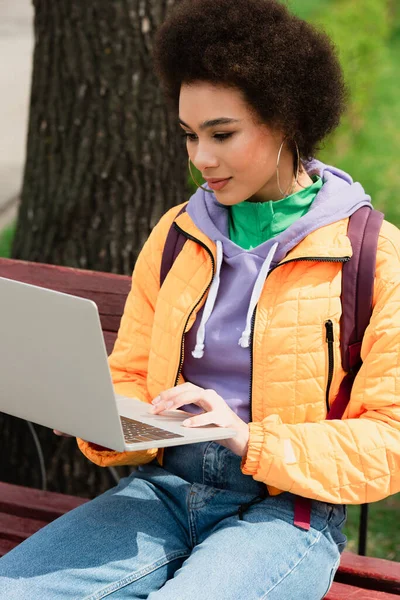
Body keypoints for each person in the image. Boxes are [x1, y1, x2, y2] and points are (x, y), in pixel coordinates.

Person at [1, 0, 399, 598]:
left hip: (284, 514)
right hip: (162, 494)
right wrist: (104, 415)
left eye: (222, 134)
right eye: (190, 135)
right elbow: (132, 372)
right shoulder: (176, 235)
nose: (200, 159)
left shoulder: (375, 255)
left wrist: (245, 437)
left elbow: (391, 437)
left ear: (287, 119)